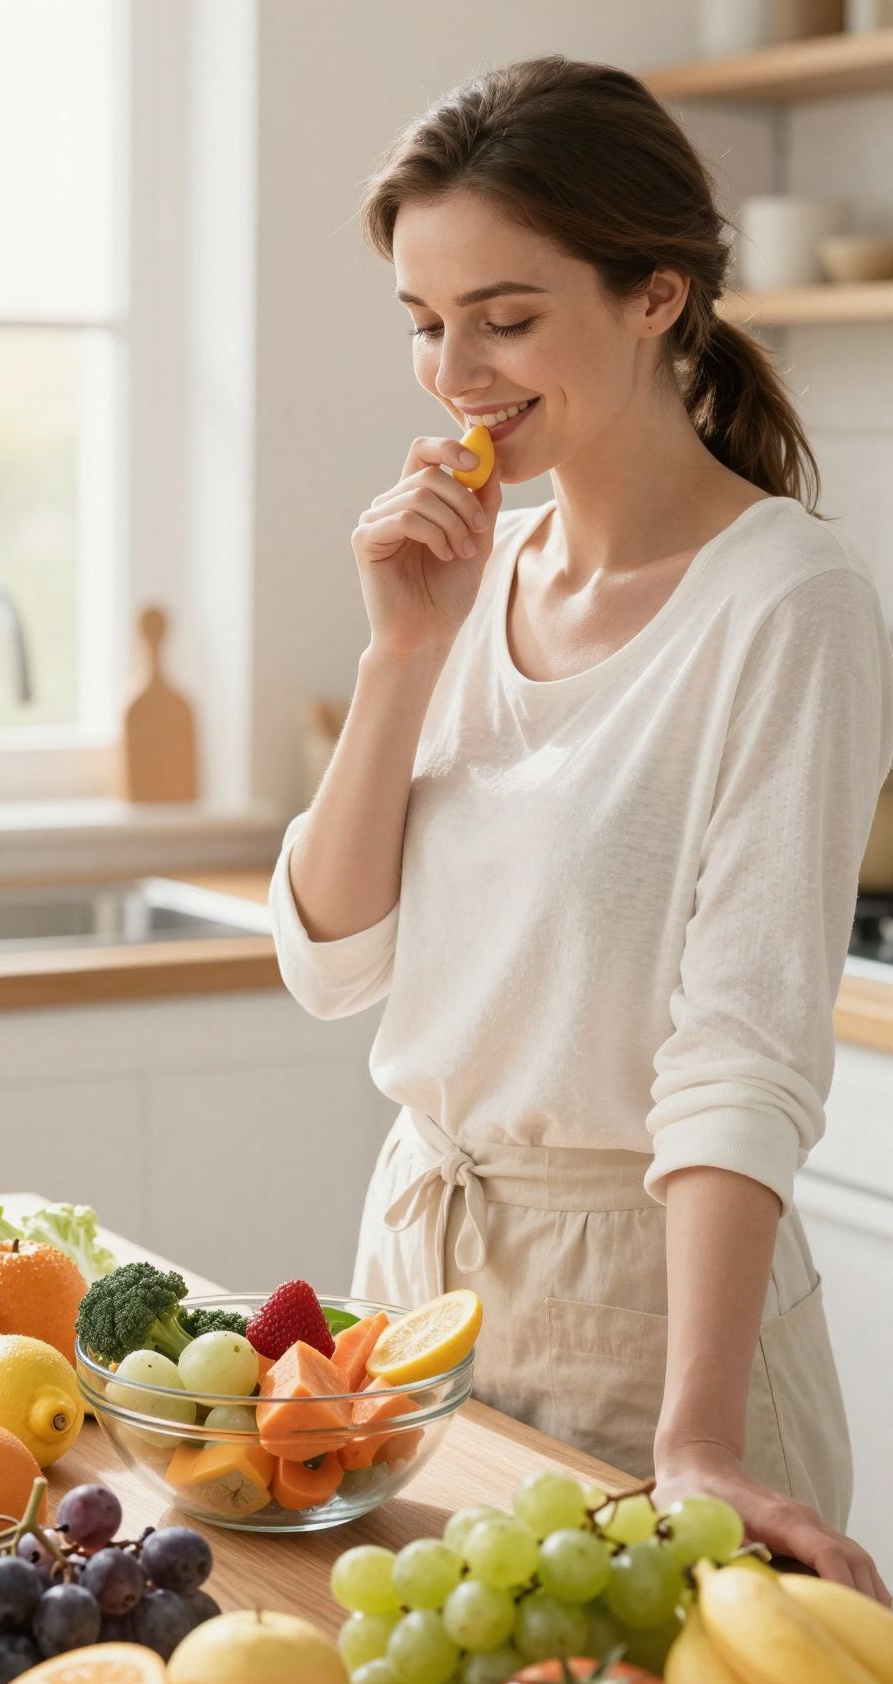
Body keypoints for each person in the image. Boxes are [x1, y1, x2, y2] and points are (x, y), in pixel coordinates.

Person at [268, 55, 893, 1599]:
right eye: (425, 321)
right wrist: (401, 653)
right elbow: (331, 961)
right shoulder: (471, 569)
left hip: (648, 1322)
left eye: (507, 315)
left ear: (656, 296)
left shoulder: (786, 604)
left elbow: (742, 1052)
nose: (454, 368)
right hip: (414, 1279)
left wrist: (696, 1443)